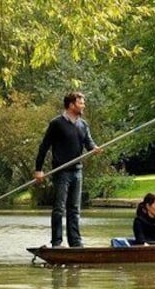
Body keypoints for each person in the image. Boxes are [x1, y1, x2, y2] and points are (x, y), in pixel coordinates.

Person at [34, 92, 101, 248]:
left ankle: (75, 242)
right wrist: (38, 170)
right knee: (59, 208)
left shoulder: (83, 124)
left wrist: (94, 148)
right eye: (81, 103)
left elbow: (88, 143)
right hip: (61, 171)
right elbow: (44, 147)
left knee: (74, 209)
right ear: (71, 105)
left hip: (77, 171)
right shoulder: (56, 124)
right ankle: (56, 243)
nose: (83, 105)